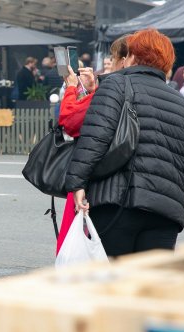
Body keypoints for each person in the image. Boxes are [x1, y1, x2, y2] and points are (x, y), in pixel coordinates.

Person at [65, 28, 184, 257]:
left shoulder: (115, 84)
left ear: (133, 56)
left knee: (115, 282)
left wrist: (77, 183)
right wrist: (176, 204)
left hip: (118, 202)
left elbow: (96, 137)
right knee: (150, 286)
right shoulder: (181, 103)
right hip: (165, 212)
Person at [55, 35, 127, 254]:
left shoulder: (112, 90)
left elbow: (70, 121)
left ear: (126, 60)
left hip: (103, 181)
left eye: (112, 60)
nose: (108, 66)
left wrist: (71, 88)